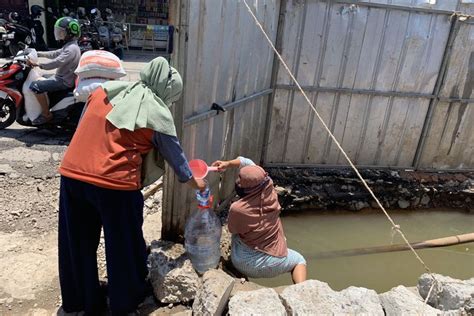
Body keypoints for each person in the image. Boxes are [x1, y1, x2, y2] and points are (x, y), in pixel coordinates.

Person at [57, 57, 206, 315]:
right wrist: (199, 183)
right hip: (114, 184)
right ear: (167, 91)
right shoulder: (157, 112)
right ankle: (123, 302)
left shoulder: (103, 92)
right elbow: (180, 164)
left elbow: (84, 130)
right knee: (123, 246)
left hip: (72, 175)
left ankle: (82, 301)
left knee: (78, 244)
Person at [212, 157, 307, 284]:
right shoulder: (268, 186)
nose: (238, 181)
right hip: (265, 261)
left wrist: (228, 164)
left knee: (240, 231)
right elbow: (247, 163)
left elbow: (232, 229)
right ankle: (301, 290)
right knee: (299, 260)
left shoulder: (238, 209)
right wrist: (228, 164)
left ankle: (240, 274)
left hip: (243, 261)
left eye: (240, 180)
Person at [27, 17, 81, 125]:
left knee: (35, 86)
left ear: (70, 33)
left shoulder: (71, 49)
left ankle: (46, 114)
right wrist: (38, 53)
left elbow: (57, 62)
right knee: (41, 77)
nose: (59, 34)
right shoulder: (70, 46)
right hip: (62, 77)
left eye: (62, 32)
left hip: (63, 81)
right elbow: (54, 53)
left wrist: (38, 64)